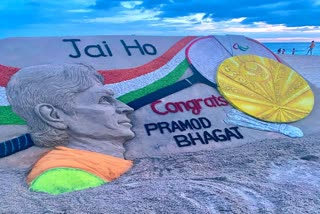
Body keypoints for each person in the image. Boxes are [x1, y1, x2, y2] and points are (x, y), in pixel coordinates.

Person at [6, 64, 135, 195]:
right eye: (104, 100)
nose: (126, 108)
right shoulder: (62, 180)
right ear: (53, 116)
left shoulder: (99, 168)